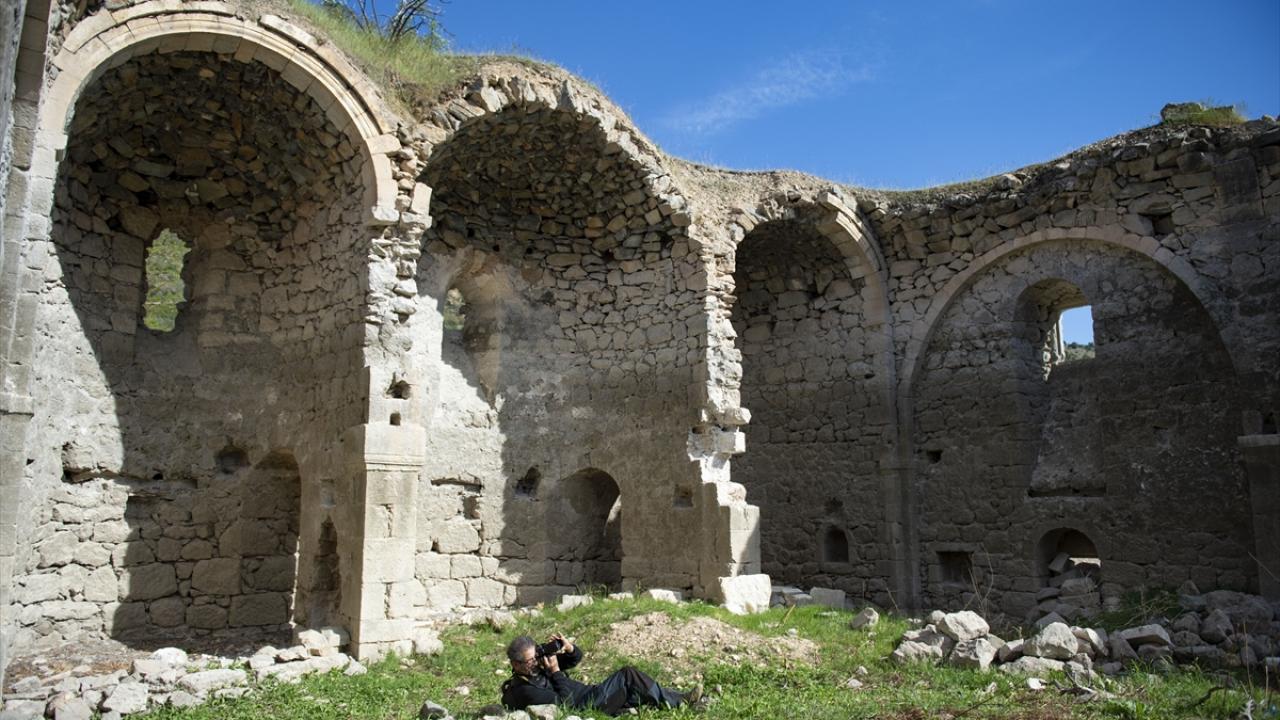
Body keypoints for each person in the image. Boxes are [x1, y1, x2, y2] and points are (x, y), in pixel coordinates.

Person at [501, 633, 704, 715]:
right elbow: (564, 704)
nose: (536, 661)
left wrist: (570, 648)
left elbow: (574, 659)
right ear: (516, 665)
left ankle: (681, 700)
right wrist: (555, 672)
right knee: (628, 675)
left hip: (591, 694)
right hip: (585, 705)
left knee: (635, 689)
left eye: (536, 655)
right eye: (531, 660)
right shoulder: (525, 690)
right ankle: (681, 701)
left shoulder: (536, 668)